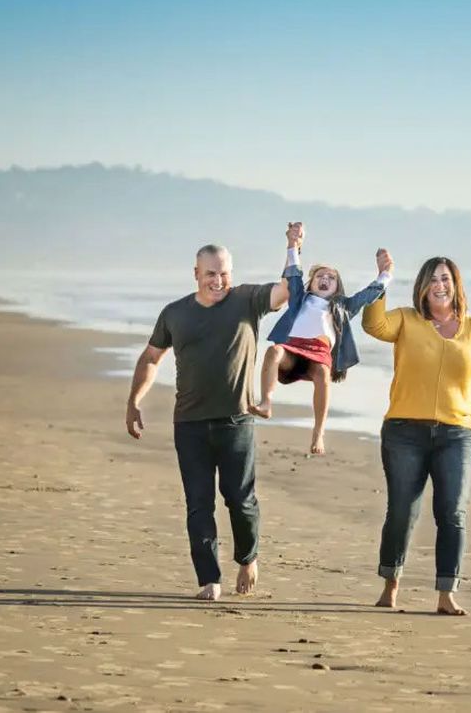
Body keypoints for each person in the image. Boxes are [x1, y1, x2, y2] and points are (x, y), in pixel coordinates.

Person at [124, 226, 298, 600]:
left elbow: (287, 290)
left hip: (236, 420)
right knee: (198, 504)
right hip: (188, 424)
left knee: (240, 499)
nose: (218, 281)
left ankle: (248, 558)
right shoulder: (175, 314)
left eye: (223, 273)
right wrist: (134, 401)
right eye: (210, 274)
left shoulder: (247, 300)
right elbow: (152, 358)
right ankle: (209, 579)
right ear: (196, 275)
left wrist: (292, 247)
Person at [362, 252, 471, 616]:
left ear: (456, 285)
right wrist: (382, 280)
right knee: (401, 512)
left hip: (457, 434)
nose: (439, 286)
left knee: (452, 513)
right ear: (421, 289)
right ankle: (391, 582)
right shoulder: (406, 320)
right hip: (404, 431)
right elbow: (374, 326)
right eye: (432, 280)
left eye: (445, 279)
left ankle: (445, 593)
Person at [250, 229, 393, 454]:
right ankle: (266, 402)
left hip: (319, 352)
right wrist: (292, 244)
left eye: (331, 278)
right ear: (311, 283)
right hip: (293, 347)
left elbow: (367, 295)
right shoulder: (300, 299)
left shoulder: (343, 306)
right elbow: (294, 273)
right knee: (274, 351)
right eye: (320, 277)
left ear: (338, 287)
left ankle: (318, 434)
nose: (325, 279)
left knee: (323, 374)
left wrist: (385, 274)